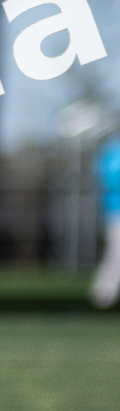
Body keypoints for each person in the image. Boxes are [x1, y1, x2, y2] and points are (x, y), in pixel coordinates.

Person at [92, 129, 120, 310]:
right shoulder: (113, 152)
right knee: (117, 255)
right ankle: (104, 297)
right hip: (117, 210)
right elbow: (111, 180)